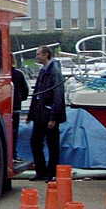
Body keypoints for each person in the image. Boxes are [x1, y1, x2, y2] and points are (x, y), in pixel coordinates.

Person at [27, 46, 66, 180]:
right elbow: (37, 93)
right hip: (39, 114)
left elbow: (58, 95)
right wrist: (31, 115)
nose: (36, 56)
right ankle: (41, 171)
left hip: (48, 114)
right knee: (35, 142)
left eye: (38, 54)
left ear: (46, 55)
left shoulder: (54, 71)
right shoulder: (44, 71)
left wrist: (53, 117)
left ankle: (51, 173)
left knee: (52, 144)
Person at [11, 55, 29, 161]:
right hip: (16, 107)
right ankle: (13, 154)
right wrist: (19, 99)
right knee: (14, 132)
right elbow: (25, 92)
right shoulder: (19, 74)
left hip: (4, 109)